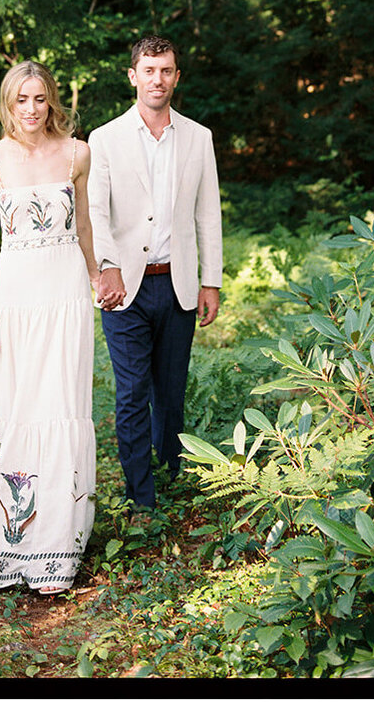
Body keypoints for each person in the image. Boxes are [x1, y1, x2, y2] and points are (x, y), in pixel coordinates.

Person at [0, 60, 98, 594]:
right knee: (20, 407)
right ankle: (12, 539)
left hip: (66, 294)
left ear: (52, 101)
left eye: (39, 98)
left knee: (61, 405)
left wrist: (97, 276)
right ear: (8, 104)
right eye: (20, 99)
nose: (30, 109)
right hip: (16, 298)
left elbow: (86, 223)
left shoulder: (77, 153)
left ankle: (59, 538)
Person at [88, 35, 222, 515]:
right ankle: (139, 497)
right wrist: (107, 269)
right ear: (133, 76)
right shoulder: (103, 140)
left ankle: (170, 474)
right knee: (131, 394)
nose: (157, 79)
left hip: (179, 284)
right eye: (149, 70)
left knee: (170, 393)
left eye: (166, 70)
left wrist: (212, 281)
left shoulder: (199, 137)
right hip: (124, 289)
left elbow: (208, 215)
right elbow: (95, 214)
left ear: (176, 76)